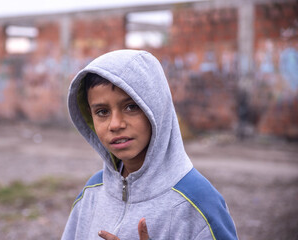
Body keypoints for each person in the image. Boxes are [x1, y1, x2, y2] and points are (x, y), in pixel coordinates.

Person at [61, 50, 238, 240]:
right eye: (102, 111)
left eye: (131, 107)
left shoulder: (199, 202)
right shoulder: (92, 192)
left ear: (156, 108)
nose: (115, 124)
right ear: (90, 115)